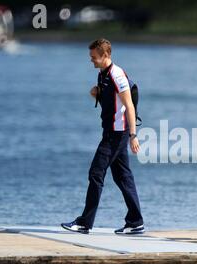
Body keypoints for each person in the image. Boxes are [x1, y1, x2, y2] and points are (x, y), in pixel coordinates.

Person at [61, 38, 144, 235]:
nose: (91, 61)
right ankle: (135, 221)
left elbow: (129, 106)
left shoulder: (117, 74)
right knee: (123, 177)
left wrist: (133, 135)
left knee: (96, 173)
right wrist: (96, 92)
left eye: (94, 57)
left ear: (105, 55)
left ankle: (84, 222)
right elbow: (110, 98)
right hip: (111, 131)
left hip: (117, 134)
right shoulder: (103, 74)